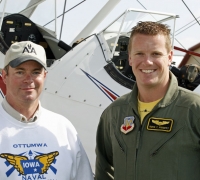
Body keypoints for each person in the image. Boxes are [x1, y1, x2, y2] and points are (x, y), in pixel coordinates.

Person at [95, 21, 200, 180]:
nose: (148, 62)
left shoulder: (194, 109)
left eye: (156, 54)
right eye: (139, 54)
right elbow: (104, 171)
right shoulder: (114, 113)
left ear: (169, 56)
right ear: (130, 58)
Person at [0, 41, 94, 180]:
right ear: (4, 76)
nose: (28, 79)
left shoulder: (63, 128)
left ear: (44, 76)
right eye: (20, 72)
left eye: (35, 72)